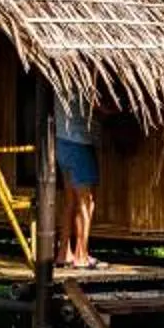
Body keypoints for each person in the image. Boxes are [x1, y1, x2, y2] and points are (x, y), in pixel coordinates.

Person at [52, 99, 100, 267]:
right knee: (86, 202)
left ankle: (64, 253)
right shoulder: (82, 80)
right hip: (79, 144)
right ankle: (81, 255)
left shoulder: (60, 80)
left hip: (61, 143)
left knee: (70, 201)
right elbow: (100, 106)